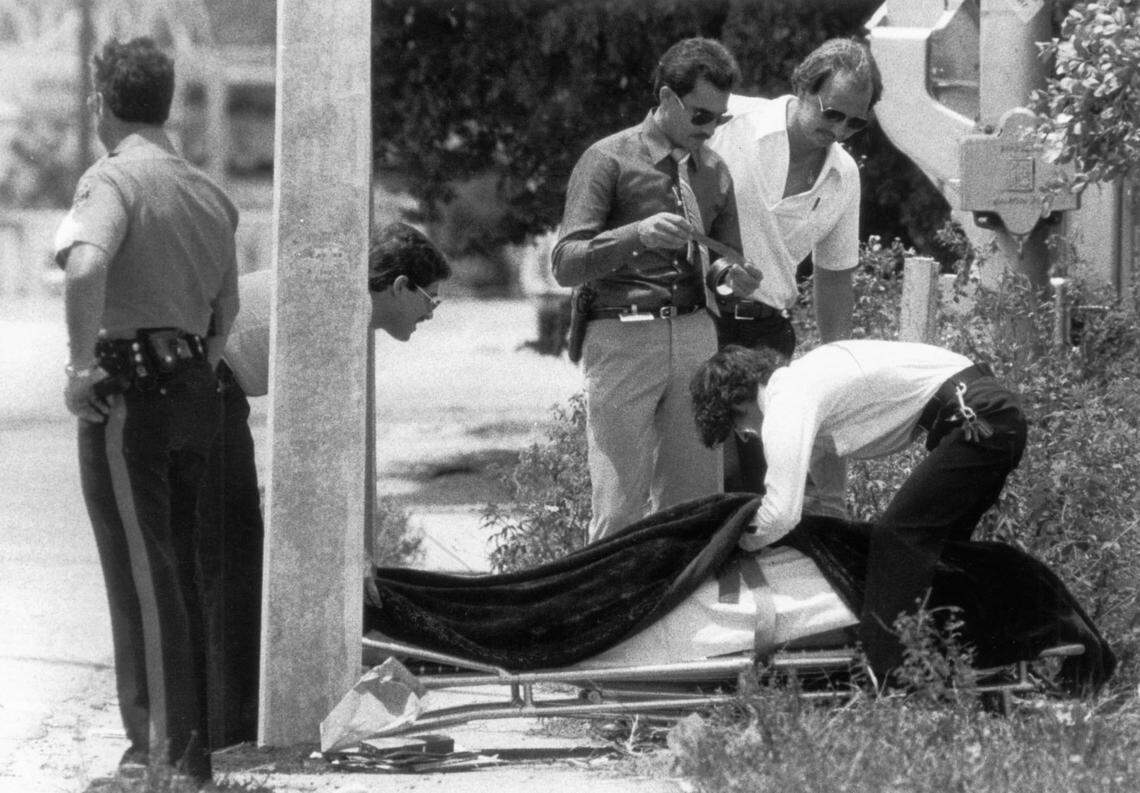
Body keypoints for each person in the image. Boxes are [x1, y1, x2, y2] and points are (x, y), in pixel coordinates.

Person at [55, 37, 239, 784]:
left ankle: (160, 756)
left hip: (130, 392)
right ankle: (187, 748)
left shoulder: (112, 180)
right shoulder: (206, 193)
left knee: (140, 575)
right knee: (178, 572)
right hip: (195, 384)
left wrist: (79, 367)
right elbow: (224, 313)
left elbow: (87, 264)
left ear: (103, 103)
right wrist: (195, 361)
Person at [197, 221, 450, 747]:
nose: (431, 313)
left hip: (211, 385)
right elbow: (316, 449)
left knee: (228, 559)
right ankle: (225, 728)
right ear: (399, 287)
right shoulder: (339, 310)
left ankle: (218, 721)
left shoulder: (338, 300)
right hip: (203, 385)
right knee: (232, 562)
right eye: (431, 299)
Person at [690, 340, 1027, 682]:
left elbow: (781, 513)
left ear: (737, 400)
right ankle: (968, 662)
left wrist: (734, 542)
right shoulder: (807, 377)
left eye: (737, 426)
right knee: (944, 556)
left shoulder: (787, 399)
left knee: (898, 538)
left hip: (978, 419)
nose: (746, 435)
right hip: (987, 411)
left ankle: (893, 679)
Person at [551, 37, 760, 540]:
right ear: (667, 98)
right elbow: (565, 263)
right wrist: (635, 235)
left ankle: (685, 613)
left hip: (694, 334)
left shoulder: (713, 171)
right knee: (619, 510)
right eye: (700, 115)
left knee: (696, 506)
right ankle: (610, 613)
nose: (709, 130)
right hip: (622, 336)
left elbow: (720, 267)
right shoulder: (608, 160)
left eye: (719, 119)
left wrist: (734, 283)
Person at [707, 38, 882, 502]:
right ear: (804, 87)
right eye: (832, 113)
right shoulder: (728, 123)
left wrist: (837, 371)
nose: (842, 129)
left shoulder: (844, 175)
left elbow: (834, 275)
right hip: (702, 321)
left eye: (856, 121)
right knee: (707, 485)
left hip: (768, 335)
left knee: (776, 488)